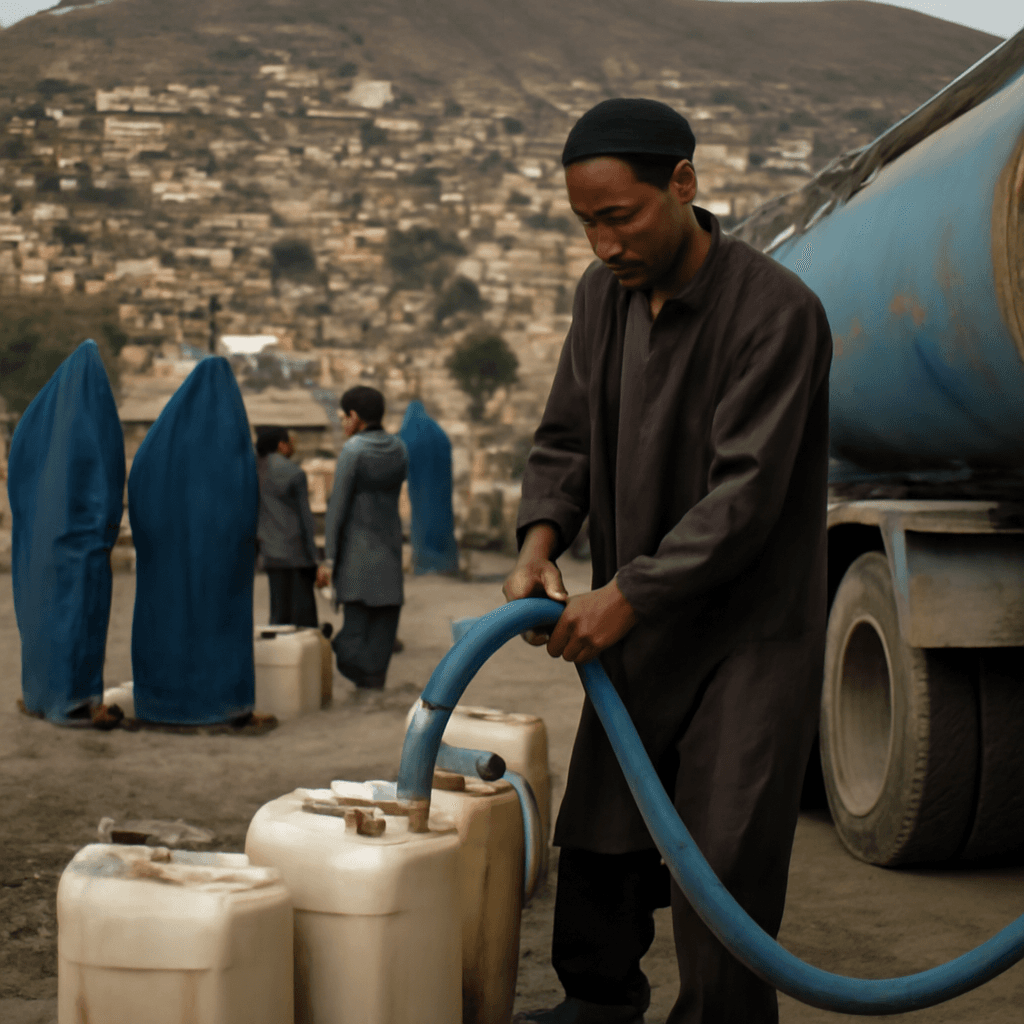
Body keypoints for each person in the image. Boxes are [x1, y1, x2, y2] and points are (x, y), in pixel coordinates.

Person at [504, 98, 832, 1024]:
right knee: (604, 834)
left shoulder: (778, 314)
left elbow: (745, 498)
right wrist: (538, 545)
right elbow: (564, 442)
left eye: (621, 216)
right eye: (586, 223)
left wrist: (627, 594)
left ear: (683, 185)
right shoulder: (598, 301)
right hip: (637, 626)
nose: (605, 243)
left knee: (720, 860)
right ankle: (597, 1007)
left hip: (745, 640)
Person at [323, 386, 409, 689]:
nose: (344, 423)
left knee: (352, 636)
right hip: (390, 553)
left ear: (355, 417)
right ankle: (374, 684)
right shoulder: (399, 448)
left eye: (344, 417)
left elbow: (337, 508)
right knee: (382, 636)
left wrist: (329, 558)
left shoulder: (354, 449)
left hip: (356, 557)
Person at [255, 425, 322, 628]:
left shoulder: (254, 468)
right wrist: (315, 559)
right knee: (303, 615)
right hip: (296, 553)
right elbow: (305, 519)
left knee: (279, 611)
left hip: (270, 552)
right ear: (281, 445)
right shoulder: (294, 472)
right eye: (290, 443)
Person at [399, 399, 460, 575]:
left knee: (422, 521)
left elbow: (399, 454)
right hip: (441, 491)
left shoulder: (410, 432)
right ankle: (447, 564)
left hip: (420, 490)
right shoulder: (438, 433)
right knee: (442, 521)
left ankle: (425, 564)